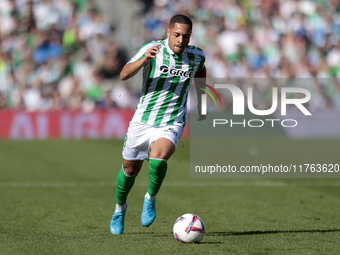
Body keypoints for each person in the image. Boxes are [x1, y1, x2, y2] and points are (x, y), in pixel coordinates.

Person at [110, 14, 206, 235]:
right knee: (129, 169)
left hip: (172, 120)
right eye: (177, 35)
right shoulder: (152, 48)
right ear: (168, 33)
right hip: (143, 121)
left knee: (159, 157)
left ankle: (150, 198)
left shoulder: (196, 56)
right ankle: (119, 209)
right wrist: (145, 59)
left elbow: (201, 70)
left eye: (186, 36)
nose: (181, 40)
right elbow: (124, 74)